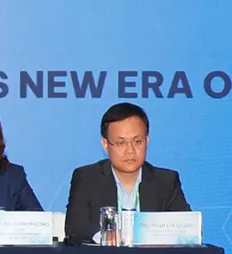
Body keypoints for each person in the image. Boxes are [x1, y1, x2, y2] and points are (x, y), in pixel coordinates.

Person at [65, 102, 190, 244]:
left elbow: (188, 229)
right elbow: (74, 228)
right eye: (121, 143)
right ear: (105, 145)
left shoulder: (166, 181)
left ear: (146, 141)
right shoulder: (87, 178)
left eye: (137, 141)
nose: (130, 150)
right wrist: (108, 235)